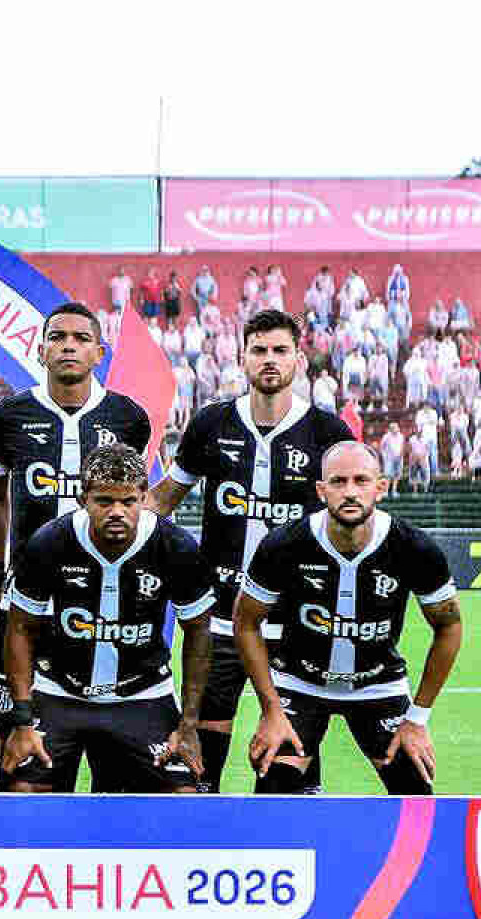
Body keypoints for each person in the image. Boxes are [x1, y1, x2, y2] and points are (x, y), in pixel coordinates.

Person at [144, 308, 354, 792]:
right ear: (242, 358)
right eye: (259, 350)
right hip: (218, 621)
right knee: (201, 765)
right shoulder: (211, 423)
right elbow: (164, 501)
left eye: (280, 350)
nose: (269, 360)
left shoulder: (328, 434)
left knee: (289, 771)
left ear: (299, 359)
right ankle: (204, 847)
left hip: (296, 625)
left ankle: (286, 850)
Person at [0, 301, 152, 789]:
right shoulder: (7, 417)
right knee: (14, 737)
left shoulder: (128, 418)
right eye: (57, 337)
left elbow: (134, 503)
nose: (68, 345)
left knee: (112, 749)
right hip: (29, 604)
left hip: (105, 604)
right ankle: (13, 844)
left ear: (99, 351)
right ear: (41, 350)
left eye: (80, 338)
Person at [237, 441, 463, 796]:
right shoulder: (283, 545)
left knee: (414, 788)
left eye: (361, 480)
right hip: (300, 683)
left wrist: (417, 719)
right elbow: (246, 622)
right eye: (339, 482)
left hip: (378, 685)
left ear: (381, 487)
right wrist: (270, 710)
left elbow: (449, 626)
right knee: (275, 787)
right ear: (321, 490)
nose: (350, 492)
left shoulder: (415, 548)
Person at [0, 442, 214, 793]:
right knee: (25, 792)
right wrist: (23, 722)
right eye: (104, 501)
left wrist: (188, 726)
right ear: (84, 498)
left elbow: (199, 631)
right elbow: (20, 628)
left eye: (128, 501)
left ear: (144, 497)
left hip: (143, 696)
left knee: (183, 796)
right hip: (60, 693)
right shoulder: (49, 542)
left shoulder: (175, 546)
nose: (117, 512)